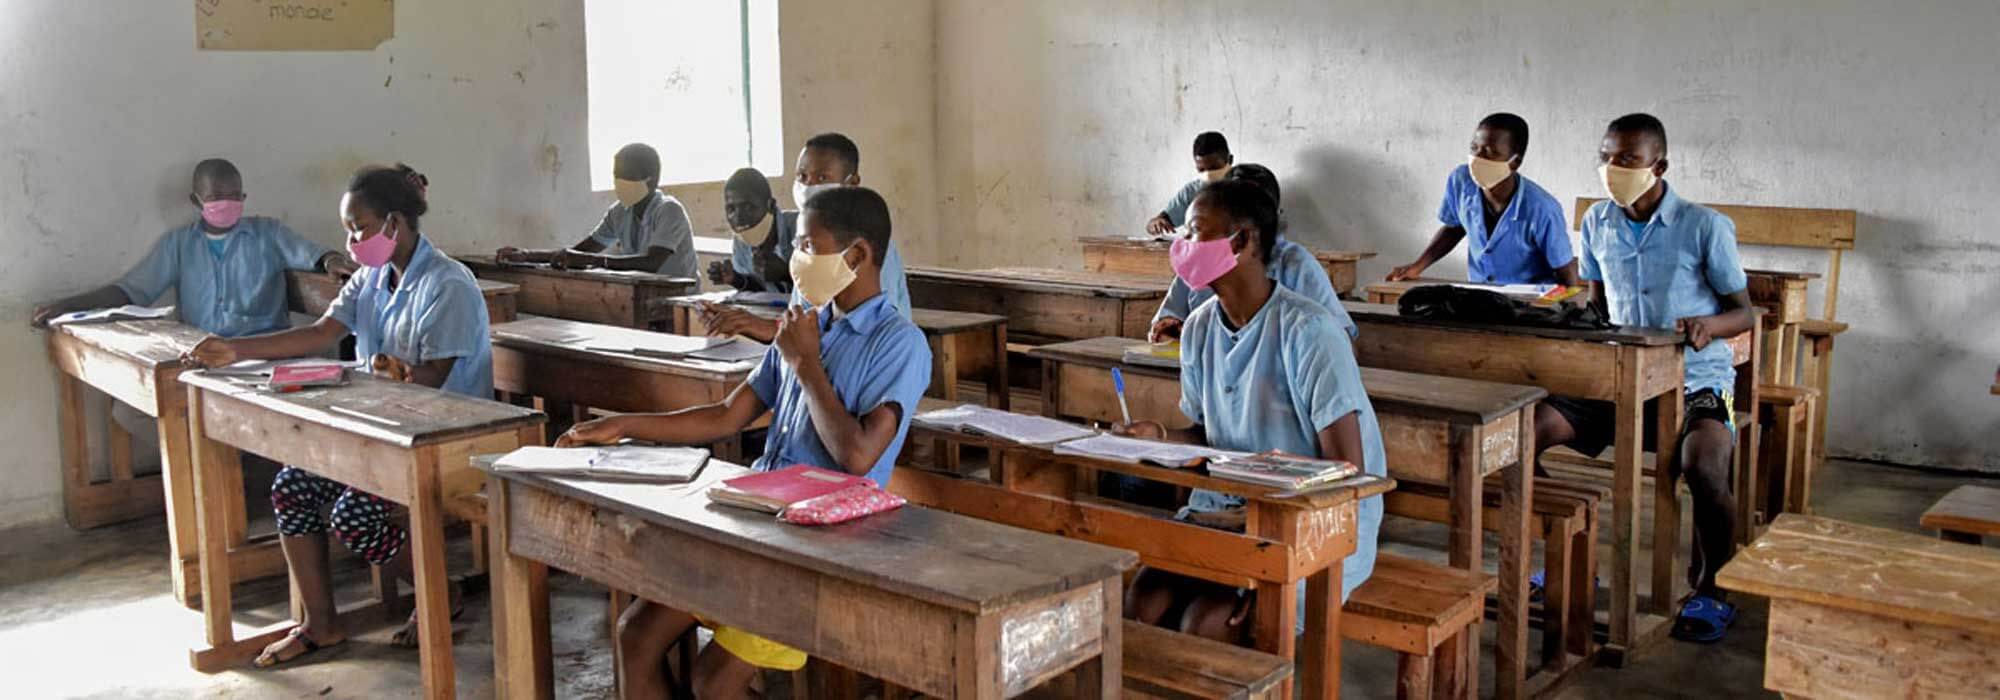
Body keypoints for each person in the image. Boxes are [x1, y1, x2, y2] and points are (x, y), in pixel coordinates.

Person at [558, 186, 930, 699]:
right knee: (635, 636)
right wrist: (623, 425)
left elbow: (858, 455)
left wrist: (807, 364)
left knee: (713, 683)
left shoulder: (899, 343)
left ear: (858, 256)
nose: (796, 261)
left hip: (820, 547)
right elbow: (727, 414)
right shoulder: (805, 326)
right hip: (755, 517)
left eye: (807, 247)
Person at [181, 163, 494, 666]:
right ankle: (320, 624)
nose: (352, 242)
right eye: (348, 230)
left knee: (355, 513)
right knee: (291, 487)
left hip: (445, 435)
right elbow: (321, 331)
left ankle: (440, 590)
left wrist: (376, 384)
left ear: (394, 222)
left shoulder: (448, 285)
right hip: (383, 428)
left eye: (359, 228)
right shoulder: (373, 276)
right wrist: (234, 350)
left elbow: (429, 388)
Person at [1120, 178, 1385, 645]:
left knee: (1202, 625)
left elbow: (1350, 475)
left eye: (1195, 232)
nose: (1182, 245)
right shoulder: (1200, 327)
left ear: (1239, 242)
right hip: (1226, 510)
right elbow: (1208, 436)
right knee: (1140, 605)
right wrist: (1160, 437)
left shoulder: (1310, 332)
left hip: (1314, 523)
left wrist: (1264, 545)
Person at [1535, 114, 1754, 644]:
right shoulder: (1597, 223)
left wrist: (1708, 326)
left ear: (1660, 166)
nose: (1614, 169)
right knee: (1522, 436)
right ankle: (1570, 555)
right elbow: (1597, 301)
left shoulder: (1704, 226)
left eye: (1628, 160)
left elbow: (1745, 314)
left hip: (1693, 378)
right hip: (1618, 376)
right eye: (1608, 157)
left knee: (1703, 465)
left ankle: (1712, 588)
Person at [30, 158, 357, 333]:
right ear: (196, 201)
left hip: (264, 351)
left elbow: (314, 254)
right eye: (216, 198)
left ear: (244, 197)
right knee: (131, 413)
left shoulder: (268, 234)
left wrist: (331, 260)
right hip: (207, 354)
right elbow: (131, 291)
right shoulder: (179, 245)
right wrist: (69, 304)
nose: (226, 204)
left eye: (234, 196)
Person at [701, 133, 912, 342]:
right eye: (802, 177)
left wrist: (761, 326)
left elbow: (872, 328)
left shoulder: (872, 246)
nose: (809, 186)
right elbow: (801, 320)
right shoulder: (806, 251)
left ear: (852, 183)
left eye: (822, 178)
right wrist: (749, 323)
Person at [1147, 163, 1354, 343]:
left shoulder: (1296, 266)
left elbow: (1340, 341)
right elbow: (1167, 324)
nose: (1185, 242)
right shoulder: (1201, 303)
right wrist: (1171, 329)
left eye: (1196, 230)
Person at [1388, 113, 1580, 287]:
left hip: (1528, 304)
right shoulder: (1461, 180)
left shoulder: (1542, 209)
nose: (1478, 158)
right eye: (1474, 148)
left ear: (1515, 162)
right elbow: (1455, 227)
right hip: (1480, 294)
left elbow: (1565, 271)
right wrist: (1418, 266)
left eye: (1490, 152)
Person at [494, 143, 696, 277]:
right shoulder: (620, 212)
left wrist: (592, 261)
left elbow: (652, 263)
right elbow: (579, 251)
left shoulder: (669, 210)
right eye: (616, 175)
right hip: (642, 294)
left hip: (678, 300)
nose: (619, 182)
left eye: (627, 175)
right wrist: (527, 255)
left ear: (650, 178)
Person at [706, 167, 795, 294]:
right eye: (731, 209)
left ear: (770, 205)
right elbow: (762, 292)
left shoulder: (803, 228)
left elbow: (828, 288)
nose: (738, 217)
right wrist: (735, 279)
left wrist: (787, 273)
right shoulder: (741, 240)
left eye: (748, 207)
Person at [1143, 131, 1234, 236]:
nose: (1208, 175)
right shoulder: (1191, 192)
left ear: (1230, 160)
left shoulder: (1247, 189)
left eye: (1214, 168)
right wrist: (1155, 224)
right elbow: (1159, 221)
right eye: (1202, 170)